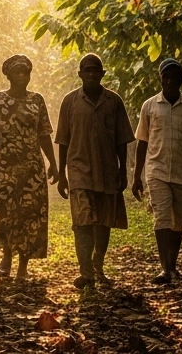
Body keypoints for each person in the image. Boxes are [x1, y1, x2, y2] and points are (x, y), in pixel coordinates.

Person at [54, 53, 134, 289]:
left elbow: (122, 139)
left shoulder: (114, 101)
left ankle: (98, 266)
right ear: (79, 74)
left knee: (103, 222)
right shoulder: (70, 101)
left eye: (95, 70)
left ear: (102, 74)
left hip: (107, 170)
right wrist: (61, 174)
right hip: (79, 171)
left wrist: (123, 170)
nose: (91, 74)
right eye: (86, 70)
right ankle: (86, 273)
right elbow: (63, 140)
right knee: (82, 222)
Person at [0, 54, 58, 280]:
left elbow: (44, 134)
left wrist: (53, 163)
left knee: (30, 213)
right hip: (4, 167)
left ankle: (23, 264)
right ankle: (7, 254)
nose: (22, 75)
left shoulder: (37, 100)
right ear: (9, 75)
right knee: (2, 210)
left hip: (32, 168)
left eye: (26, 72)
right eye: (17, 72)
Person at [132, 59, 182, 286]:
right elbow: (142, 142)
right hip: (156, 171)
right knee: (162, 218)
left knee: (179, 221)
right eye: (166, 76)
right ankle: (165, 269)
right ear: (161, 79)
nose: (170, 81)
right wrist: (137, 176)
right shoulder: (149, 106)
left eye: (175, 77)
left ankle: (172, 264)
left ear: (181, 80)